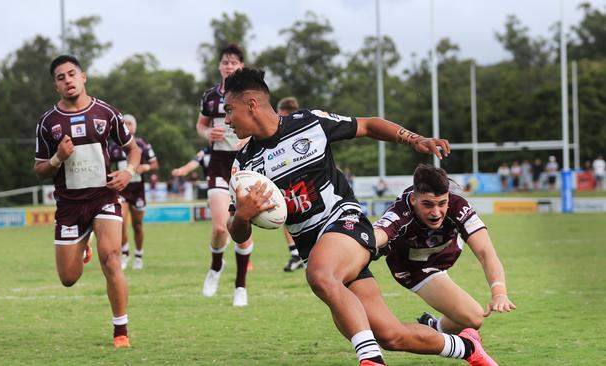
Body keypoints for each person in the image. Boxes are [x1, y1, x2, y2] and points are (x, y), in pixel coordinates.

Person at [224, 67, 497, 366]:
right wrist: (243, 216)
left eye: (229, 110)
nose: (226, 120)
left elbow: (367, 125)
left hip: (345, 223)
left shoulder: (309, 123)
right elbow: (237, 232)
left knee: (320, 276)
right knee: (392, 335)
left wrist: (413, 139)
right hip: (315, 250)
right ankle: (468, 348)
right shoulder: (244, 166)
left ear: (251, 104)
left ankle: (370, 361)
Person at [34, 55, 140, 348]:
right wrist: (58, 157)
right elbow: (40, 169)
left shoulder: (106, 112)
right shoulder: (48, 122)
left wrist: (128, 173)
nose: (68, 80)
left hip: (104, 196)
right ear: (56, 86)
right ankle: (84, 242)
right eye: (60, 77)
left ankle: (121, 332)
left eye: (72, 74)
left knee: (111, 259)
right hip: (69, 206)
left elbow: (133, 150)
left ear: (84, 77)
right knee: (68, 278)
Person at [373, 164, 516, 335]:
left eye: (442, 203)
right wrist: (369, 243)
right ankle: (420, 332)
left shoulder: (458, 205)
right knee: (475, 318)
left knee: (472, 318)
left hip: (445, 255)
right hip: (414, 269)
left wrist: (499, 292)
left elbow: (486, 253)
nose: (436, 212)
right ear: (413, 200)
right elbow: (377, 234)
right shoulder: (400, 211)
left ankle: (433, 327)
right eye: (428, 205)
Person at [195, 44, 253, 306]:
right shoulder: (210, 96)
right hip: (218, 164)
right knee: (220, 227)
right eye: (225, 62)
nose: (229, 66)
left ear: (241, 66)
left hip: (244, 166)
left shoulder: (250, 95)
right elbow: (201, 125)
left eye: (234, 62)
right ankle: (216, 266)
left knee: (243, 227)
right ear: (219, 66)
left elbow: (264, 124)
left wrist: (249, 138)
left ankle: (240, 286)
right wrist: (208, 134)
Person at [108, 114, 159, 270]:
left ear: (134, 127)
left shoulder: (142, 145)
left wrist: (146, 167)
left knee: (137, 225)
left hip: (138, 190)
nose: (128, 126)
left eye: (130, 123)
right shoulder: (114, 146)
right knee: (121, 222)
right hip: (122, 190)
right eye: (125, 123)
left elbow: (155, 164)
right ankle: (125, 254)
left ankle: (139, 255)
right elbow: (108, 166)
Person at [277, 96, 305, 272]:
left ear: (284, 112)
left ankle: (297, 254)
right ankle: (298, 253)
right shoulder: (304, 123)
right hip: (306, 180)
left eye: (278, 111)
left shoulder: (284, 128)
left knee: (289, 217)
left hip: (294, 180)